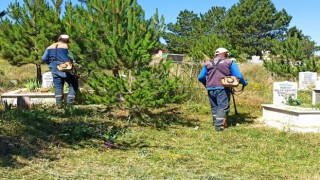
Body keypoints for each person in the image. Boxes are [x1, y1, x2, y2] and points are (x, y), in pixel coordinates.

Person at [198, 47, 248, 131]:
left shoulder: (208, 63)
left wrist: (206, 84)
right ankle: (219, 128)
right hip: (223, 88)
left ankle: (215, 122)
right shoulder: (229, 62)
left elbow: (200, 77)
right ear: (225, 54)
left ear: (216, 54)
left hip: (210, 88)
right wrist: (244, 83)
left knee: (214, 107)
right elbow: (239, 76)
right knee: (222, 107)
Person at [41, 34, 78, 107]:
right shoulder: (66, 46)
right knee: (73, 83)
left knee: (58, 86)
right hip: (66, 68)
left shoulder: (50, 47)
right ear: (67, 40)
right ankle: (69, 104)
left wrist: (51, 64)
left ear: (59, 39)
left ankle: (59, 104)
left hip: (54, 68)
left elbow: (43, 58)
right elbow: (73, 57)